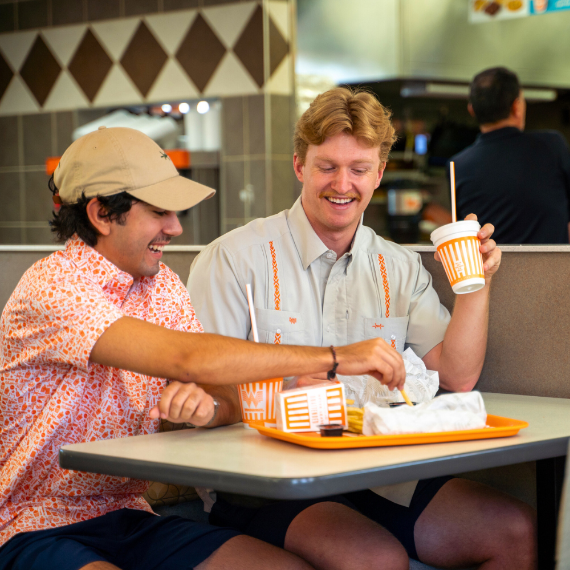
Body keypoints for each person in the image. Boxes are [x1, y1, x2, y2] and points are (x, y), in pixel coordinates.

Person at [0, 126, 413, 570]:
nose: (175, 228)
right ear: (102, 214)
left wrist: (207, 407)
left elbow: (230, 396)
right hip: (30, 525)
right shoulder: (53, 286)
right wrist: (337, 356)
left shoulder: (163, 287)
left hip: (129, 515)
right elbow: (190, 356)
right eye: (160, 212)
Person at [188, 88, 538, 570]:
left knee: (515, 531)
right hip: (268, 481)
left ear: (378, 174)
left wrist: (477, 281)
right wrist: (291, 387)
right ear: (299, 166)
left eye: (358, 169)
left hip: (377, 472)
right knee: (372, 558)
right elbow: (204, 382)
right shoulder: (232, 258)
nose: (342, 183)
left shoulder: (399, 266)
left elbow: (457, 376)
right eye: (327, 166)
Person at [451, 66, 570, 244]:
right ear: (516, 107)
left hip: (489, 270)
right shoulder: (552, 145)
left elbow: (463, 234)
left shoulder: (457, 165)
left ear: (472, 110)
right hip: (552, 270)